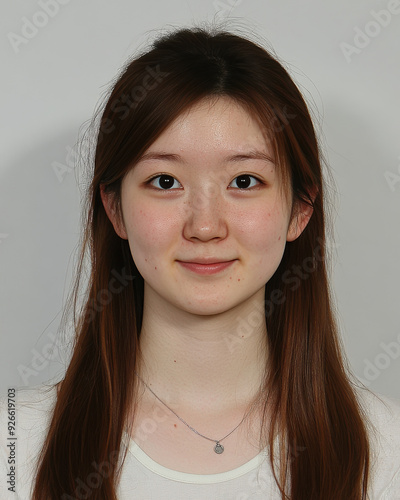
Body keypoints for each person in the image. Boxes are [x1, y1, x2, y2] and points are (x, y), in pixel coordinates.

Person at [1, 25, 400, 500]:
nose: (205, 226)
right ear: (114, 209)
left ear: (300, 210)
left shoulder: (386, 448)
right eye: (166, 182)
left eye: (245, 181)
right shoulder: (13, 441)